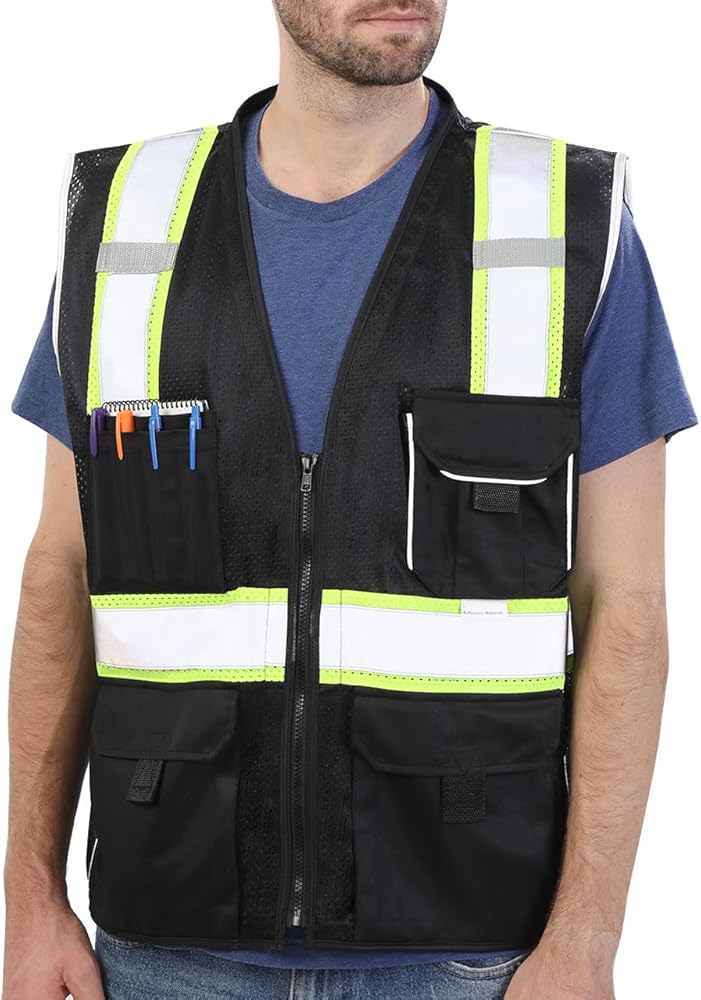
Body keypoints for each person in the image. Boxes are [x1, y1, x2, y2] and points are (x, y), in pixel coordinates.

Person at [3, 2, 697, 999]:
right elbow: (61, 574)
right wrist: (29, 898)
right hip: (165, 951)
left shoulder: (561, 222)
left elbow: (625, 607)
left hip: (469, 957)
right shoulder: (128, 221)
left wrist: (585, 941)